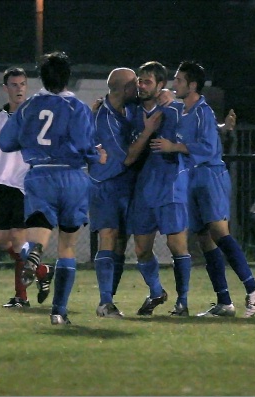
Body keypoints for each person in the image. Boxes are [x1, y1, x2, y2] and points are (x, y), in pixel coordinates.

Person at [152, 61, 255, 317]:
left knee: (218, 231)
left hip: (209, 176)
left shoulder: (202, 110)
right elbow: (207, 133)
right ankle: (224, 302)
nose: (175, 84)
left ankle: (253, 287)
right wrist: (223, 128)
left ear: (192, 85)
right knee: (205, 239)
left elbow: (207, 148)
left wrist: (174, 147)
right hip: (192, 178)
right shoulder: (186, 111)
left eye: (179, 81)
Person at [0, 51, 103, 325]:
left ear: (40, 77)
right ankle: (59, 312)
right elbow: (84, 145)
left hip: (40, 177)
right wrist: (96, 155)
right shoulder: (77, 107)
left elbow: (6, 143)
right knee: (67, 247)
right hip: (71, 178)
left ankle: (34, 257)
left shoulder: (29, 107)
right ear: (69, 77)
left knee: (33, 239)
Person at [0, 67, 54, 309]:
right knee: (1, 241)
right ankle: (42, 271)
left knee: (20, 242)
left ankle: (21, 297)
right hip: (5, 185)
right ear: (5, 88)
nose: (19, 88)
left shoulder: (35, 116)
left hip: (26, 186)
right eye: (14, 84)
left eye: (22, 84)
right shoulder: (0, 117)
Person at [89, 67, 161, 318]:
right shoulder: (104, 119)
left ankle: (116, 300)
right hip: (107, 184)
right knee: (108, 237)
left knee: (121, 244)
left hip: (128, 185)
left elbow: (162, 97)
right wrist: (148, 131)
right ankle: (105, 302)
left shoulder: (130, 108)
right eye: (134, 84)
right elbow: (129, 157)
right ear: (124, 89)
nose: (139, 87)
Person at [127, 61, 189, 316]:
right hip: (143, 188)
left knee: (177, 245)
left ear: (161, 85)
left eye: (147, 82)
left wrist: (173, 147)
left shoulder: (174, 110)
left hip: (170, 186)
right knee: (141, 248)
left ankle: (182, 301)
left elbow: (196, 140)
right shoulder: (132, 111)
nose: (141, 86)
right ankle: (156, 291)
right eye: (140, 81)